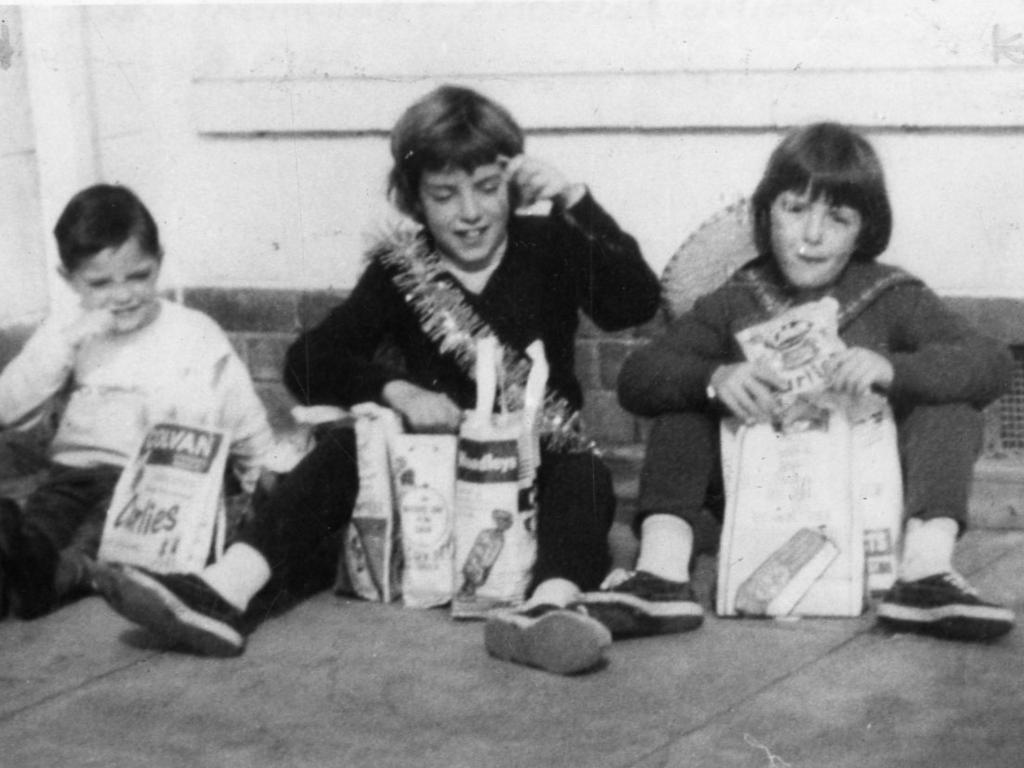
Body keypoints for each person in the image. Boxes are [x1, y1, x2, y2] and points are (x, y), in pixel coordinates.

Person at [94, 85, 662, 673]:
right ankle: (224, 592)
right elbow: (308, 361)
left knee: (587, 473)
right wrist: (396, 390)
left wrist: (573, 199)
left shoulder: (550, 244)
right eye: (444, 195)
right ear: (414, 198)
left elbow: (636, 302)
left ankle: (547, 612)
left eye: (488, 189)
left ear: (513, 185)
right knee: (343, 449)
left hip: (534, 462)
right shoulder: (402, 269)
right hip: (430, 475)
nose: (470, 213)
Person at [587, 121, 1015, 642]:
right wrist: (714, 376)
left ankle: (925, 576)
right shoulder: (736, 300)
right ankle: (660, 574)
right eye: (795, 210)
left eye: (837, 218)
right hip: (761, 494)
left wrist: (894, 371)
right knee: (685, 404)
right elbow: (638, 378)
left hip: (870, 497)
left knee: (950, 405)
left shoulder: (888, 294)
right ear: (767, 214)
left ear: (864, 230)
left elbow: (991, 363)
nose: (812, 235)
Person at [0, 184, 273, 620]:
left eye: (138, 275)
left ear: (159, 263)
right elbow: (9, 407)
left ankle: (41, 582)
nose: (123, 294)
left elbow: (244, 418)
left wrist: (264, 479)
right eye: (100, 283)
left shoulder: (192, 333)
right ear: (68, 279)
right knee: (42, 524)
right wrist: (66, 343)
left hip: (151, 486)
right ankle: (22, 565)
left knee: (101, 539)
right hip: (74, 474)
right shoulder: (68, 332)